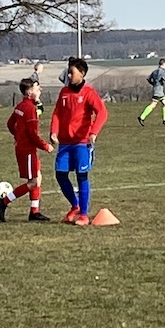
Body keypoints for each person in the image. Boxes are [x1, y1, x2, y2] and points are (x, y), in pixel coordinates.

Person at [49, 57, 108, 226]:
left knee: (82, 176)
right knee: (60, 174)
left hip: (82, 143)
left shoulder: (89, 93)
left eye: (72, 72)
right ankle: (75, 205)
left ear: (82, 74)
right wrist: (54, 131)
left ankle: (84, 214)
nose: (69, 75)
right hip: (65, 143)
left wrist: (93, 132)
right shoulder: (64, 92)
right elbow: (57, 113)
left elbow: (102, 112)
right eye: (68, 72)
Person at [0, 78, 53, 221]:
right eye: (36, 88)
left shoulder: (21, 106)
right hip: (28, 150)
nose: (39, 90)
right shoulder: (30, 109)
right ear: (29, 92)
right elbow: (32, 134)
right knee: (34, 182)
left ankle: (34, 212)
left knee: (37, 177)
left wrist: (18, 136)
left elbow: (10, 124)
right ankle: (3, 202)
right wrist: (45, 146)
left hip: (24, 148)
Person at [139, 59, 165, 126]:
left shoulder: (154, 71)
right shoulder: (163, 71)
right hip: (159, 91)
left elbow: (148, 79)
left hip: (155, 89)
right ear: (163, 64)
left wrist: (153, 84)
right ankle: (142, 117)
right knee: (153, 104)